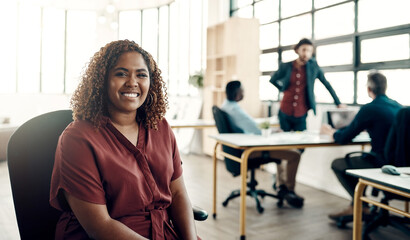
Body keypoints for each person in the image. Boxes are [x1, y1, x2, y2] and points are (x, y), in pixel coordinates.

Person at [49, 40, 198, 240]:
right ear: (102, 80)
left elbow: (178, 194)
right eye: (121, 73)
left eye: (141, 75)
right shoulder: (78, 139)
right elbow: (100, 226)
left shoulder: (160, 127)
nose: (132, 82)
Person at [321, 71, 402, 220]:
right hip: (401, 166)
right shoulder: (399, 107)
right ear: (385, 87)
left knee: (338, 164)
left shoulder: (369, 108)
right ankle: (360, 205)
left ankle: (359, 206)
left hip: (380, 163)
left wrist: (331, 132)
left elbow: (344, 137)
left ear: (368, 89)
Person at [221, 80, 304, 208]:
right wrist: (272, 130)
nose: (244, 93)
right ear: (237, 93)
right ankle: (289, 190)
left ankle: (281, 186)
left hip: (240, 148)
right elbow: (256, 129)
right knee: (294, 154)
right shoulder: (234, 109)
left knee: (283, 154)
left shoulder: (225, 106)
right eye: (242, 91)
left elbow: (249, 125)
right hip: (250, 151)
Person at [270, 38, 344, 132]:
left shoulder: (314, 68)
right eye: (304, 49)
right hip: (285, 110)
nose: (306, 53)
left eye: (309, 50)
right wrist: (283, 89)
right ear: (297, 50)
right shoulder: (286, 66)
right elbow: (272, 80)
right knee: (284, 142)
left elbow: (327, 85)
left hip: (301, 112)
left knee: (301, 142)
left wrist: (338, 103)